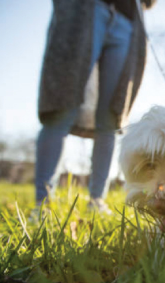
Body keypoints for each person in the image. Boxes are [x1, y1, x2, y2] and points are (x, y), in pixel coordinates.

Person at [35, 0, 156, 214]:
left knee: (111, 118)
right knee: (61, 105)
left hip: (126, 22)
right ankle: (42, 205)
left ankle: (97, 201)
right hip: (82, 10)